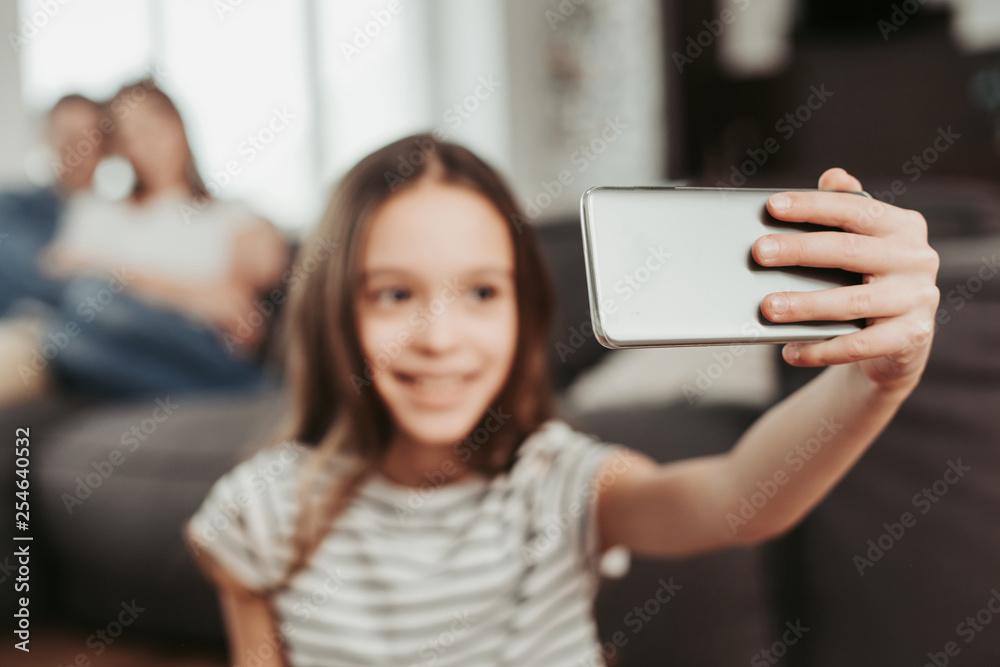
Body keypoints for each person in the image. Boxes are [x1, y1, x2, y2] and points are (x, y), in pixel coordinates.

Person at [185, 134, 940, 666]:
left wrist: (874, 381)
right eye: (393, 293)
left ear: (524, 312)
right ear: (332, 313)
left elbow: (736, 498)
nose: (439, 337)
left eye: (482, 291)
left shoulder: (558, 481)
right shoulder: (259, 512)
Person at [0, 80, 290, 404]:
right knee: (67, 331)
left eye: (153, 124)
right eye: (130, 135)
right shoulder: (96, 212)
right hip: (111, 340)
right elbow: (58, 272)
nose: (147, 142)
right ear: (120, 150)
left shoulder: (229, 214)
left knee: (89, 298)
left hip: (198, 344)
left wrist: (106, 270)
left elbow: (242, 306)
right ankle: (232, 392)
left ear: (178, 124)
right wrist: (198, 297)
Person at [0, 93, 106, 317]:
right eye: (66, 137)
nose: (77, 150)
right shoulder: (11, 207)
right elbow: (37, 277)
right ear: (47, 140)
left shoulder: (123, 216)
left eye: (87, 137)